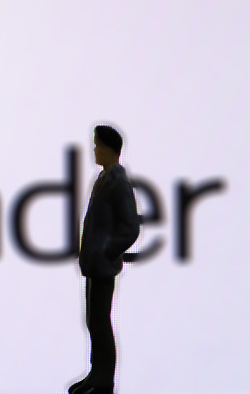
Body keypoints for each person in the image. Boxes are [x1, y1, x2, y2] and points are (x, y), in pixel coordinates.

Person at [68, 124, 140, 394]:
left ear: (110, 149)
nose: (94, 149)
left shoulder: (118, 182)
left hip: (103, 266)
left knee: (100, 322)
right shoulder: (103, 178)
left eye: (98, 145)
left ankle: (104, 381)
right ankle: (95, 373)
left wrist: (107, 252)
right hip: (94, 265)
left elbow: (130, 228)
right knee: (93, 321)